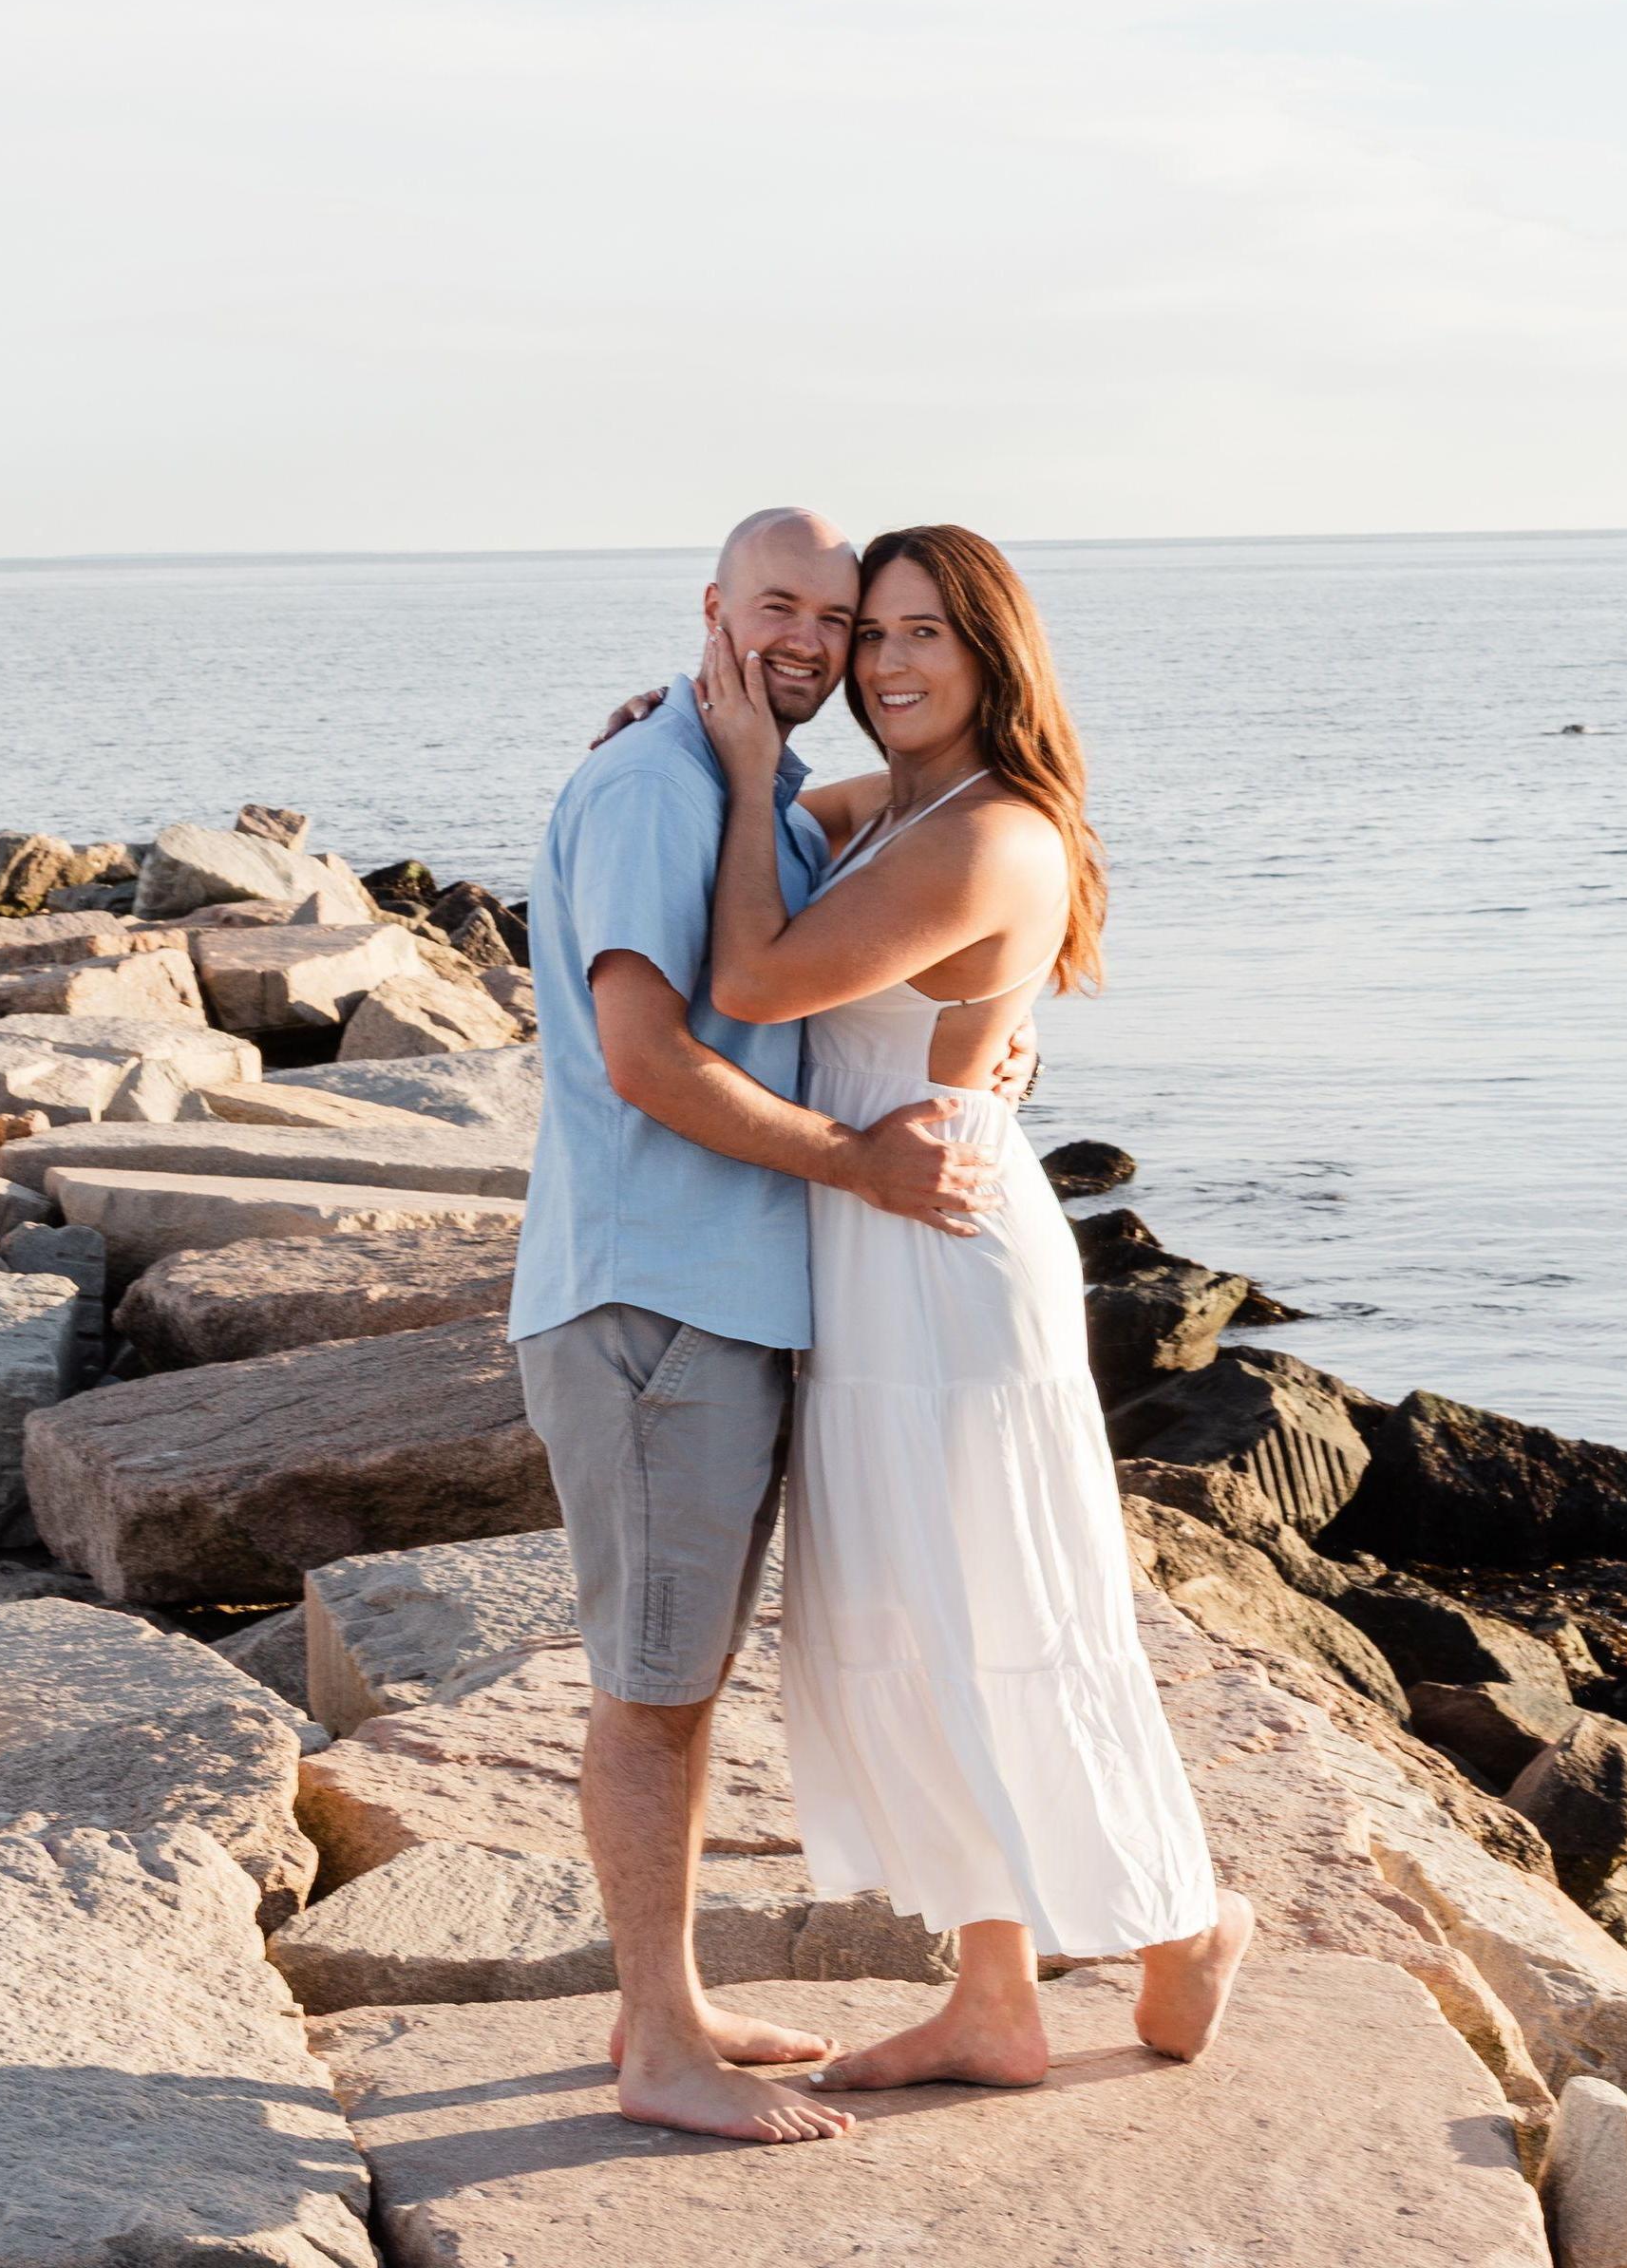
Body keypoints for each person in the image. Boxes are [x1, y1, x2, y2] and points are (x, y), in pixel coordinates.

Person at [685, 521, 1254, 2093]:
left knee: (998, 1609)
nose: (885, 662)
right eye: (871, 633)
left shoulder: (988, 830)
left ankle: (1183, 1917)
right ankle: (993, 1995)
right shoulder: (901, 804)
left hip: (940, 1251)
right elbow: (802, 819)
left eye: (923, 632)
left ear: (993, 652)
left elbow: (751, 983)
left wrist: (744, 765)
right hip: (875, 1235)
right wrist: (693, 737)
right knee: (915, 1619)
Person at [511, 507, 1024, 2147]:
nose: (817, 643)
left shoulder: (745, 782)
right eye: (781, 607)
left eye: (843, 619)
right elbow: (646, 1059)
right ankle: (661, 2048)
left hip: (719, 1294)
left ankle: (660, 2002)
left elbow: (951, 885)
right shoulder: (662, 788)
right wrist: (857, 1164)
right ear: (714, 608)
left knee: (682, 1677)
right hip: (655, 1300)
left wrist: (986, 1047)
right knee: (652, 1688)